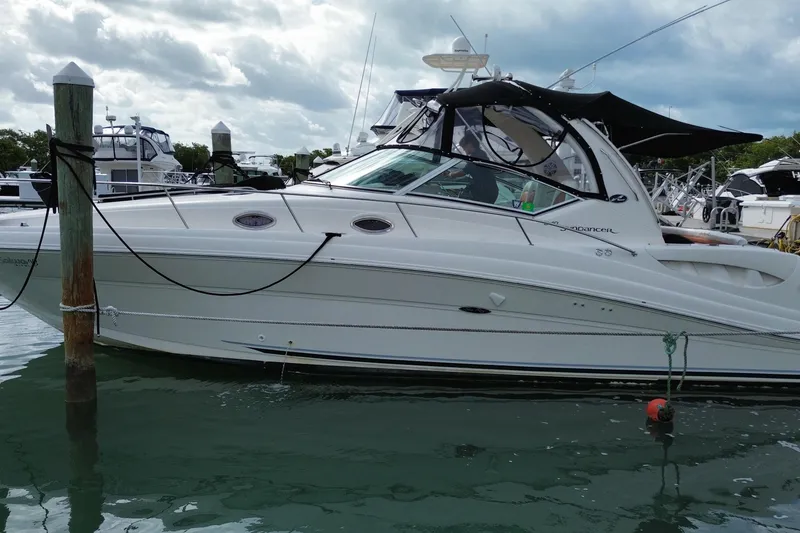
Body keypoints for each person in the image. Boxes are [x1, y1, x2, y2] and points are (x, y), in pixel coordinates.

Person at [448, 131, 499, 204]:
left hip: (485, 192)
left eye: (464, 147)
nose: (464, 150)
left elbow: (464, 172)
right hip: (490, 190)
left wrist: (450, 175)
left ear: (470, 144)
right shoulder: (481, 153)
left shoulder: (476, 156)